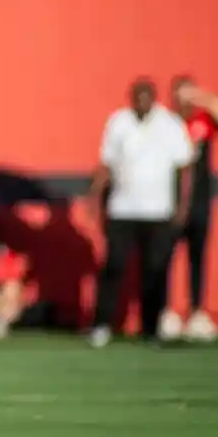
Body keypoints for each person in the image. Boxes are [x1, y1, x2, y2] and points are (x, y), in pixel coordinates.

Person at [88, 78, 192, 348]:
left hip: (159, 212)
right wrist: (95, 198)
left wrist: (182, 207)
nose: (141, 102)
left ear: (154, 98)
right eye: (137, 97)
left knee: (155, 271)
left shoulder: (171, 125)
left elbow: (185, 169)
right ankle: (101, 325)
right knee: (114, 266)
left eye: (146, 97)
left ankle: (151, 329)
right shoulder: (119, 122)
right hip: (123, 209)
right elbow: (107, 164)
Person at [167, 76, 216, 341]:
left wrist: (201, 98)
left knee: (198, 257)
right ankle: (167, 313)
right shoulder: (167, 125)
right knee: (165, 257)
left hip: (200, 200)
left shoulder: (203, 121)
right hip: (170, 202)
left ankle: (197, 312)